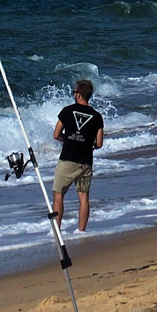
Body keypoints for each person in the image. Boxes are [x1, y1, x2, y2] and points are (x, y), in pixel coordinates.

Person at [51, 79, 104, 233]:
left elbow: (56, 134)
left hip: (67, 159)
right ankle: (81, 231)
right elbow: (99, 143)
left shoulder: (67, 111)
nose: (74, 94)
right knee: (83, 197)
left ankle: (56, 230)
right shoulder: (97, 116)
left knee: (58, 195)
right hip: (85, 161)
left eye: (74, 92)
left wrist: (66, 138)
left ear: (79, 94)